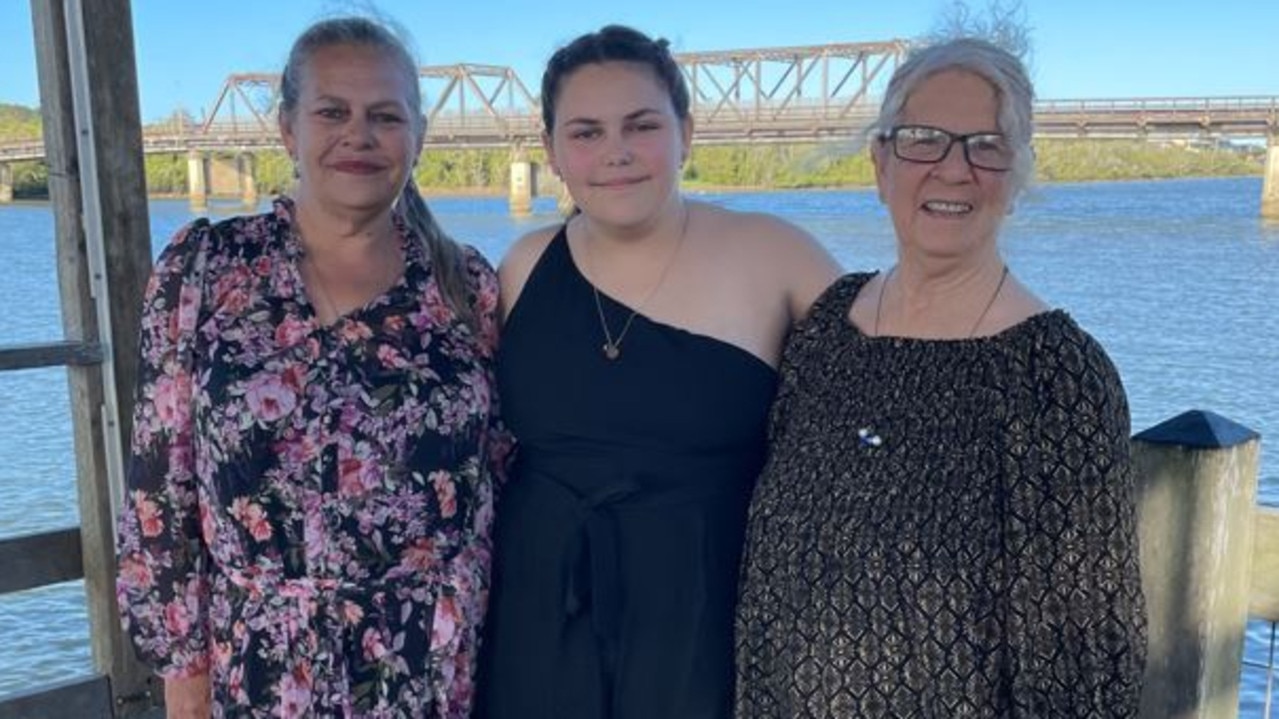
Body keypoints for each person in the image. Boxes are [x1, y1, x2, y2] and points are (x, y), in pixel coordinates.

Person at [733, 37, 1147, 717]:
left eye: (985, 144)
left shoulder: (1055, 377)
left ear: (1015, 178)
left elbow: (1087, 665)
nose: (953, 169)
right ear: (879, 163)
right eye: (922, 139)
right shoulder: (826, 329)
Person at [114, 16, 508, 718]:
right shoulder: (205, 270)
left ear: (416, 136)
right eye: (332, 111)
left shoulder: (463, 286)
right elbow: (158, 494)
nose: (358, 134)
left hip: (432, 661)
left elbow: (500, 474)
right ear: (288, 129)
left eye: (384, 115)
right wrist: (185, 681)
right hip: (260, 667)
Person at [476, 24, 841, 719]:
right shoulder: (521, 267)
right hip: (540, 603)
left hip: (702, 609)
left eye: (640, 125)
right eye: (584, 132)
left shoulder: (776, 254)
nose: (614, 152)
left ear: (686, 133)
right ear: (552, 151)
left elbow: (889, 384)